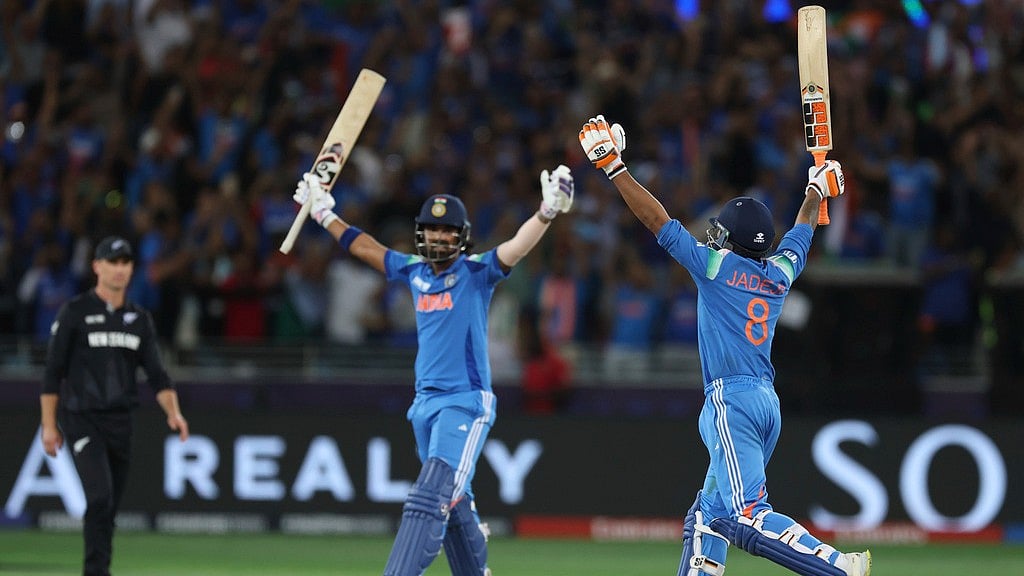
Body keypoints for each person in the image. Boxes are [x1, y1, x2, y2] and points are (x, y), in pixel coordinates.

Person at [579, 115, 871, 576]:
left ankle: (837, 567)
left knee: (747, 515)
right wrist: (816, 190)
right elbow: (801, 234)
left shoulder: (714, 268)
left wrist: (615, 168)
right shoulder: (778, 274)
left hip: (730, 401)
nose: (712, 238)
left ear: (731, 242)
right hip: (765, 403)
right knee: (707, 518)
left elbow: (658, 221)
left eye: (720, 234)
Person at [291, 163, 574, 576]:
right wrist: (322, 213)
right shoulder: (415, 272)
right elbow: (366, 248)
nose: (440, 237)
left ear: (461, 237)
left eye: (448, 231)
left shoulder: (475, 272)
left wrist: (547, 212)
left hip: (464, 404)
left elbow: (516, 247)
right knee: (453, 502)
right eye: (433, 229)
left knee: (431, 494)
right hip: (423, 407)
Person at [39, 236, 190, 576]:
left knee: (108, 508)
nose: (119, 269)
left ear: (131, 269)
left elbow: (158, 375)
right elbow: (53, 373)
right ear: (97, 267)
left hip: (122, 422)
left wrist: (174, 413)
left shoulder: (138, 320)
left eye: (125, 263)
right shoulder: (75, 313)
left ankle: (100, 567)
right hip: (82, 419)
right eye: (113, 262)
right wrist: (49, 425)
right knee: (99, 498)